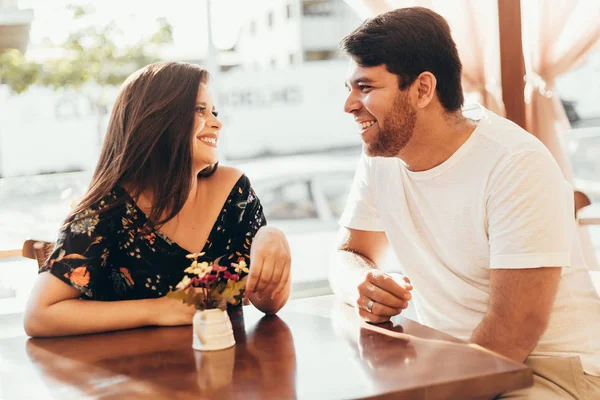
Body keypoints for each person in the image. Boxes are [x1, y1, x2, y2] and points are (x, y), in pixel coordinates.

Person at [329, 7, 600, 399]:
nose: (349, 105)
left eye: (366, 87)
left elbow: (511, 335)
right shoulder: (382, 158)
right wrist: (361, 283)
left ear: (422, 89)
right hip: (457, 357)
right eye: (350, 88)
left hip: (552, 371)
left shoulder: (514, 164)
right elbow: (347, 252)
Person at [24, 61, 291, 338]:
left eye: (214, 111)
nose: (216, 122)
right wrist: (158, 309)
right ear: (157, 119)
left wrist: (271, 238)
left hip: (223, 369)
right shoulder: (107, 207)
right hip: (131, 373)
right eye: (200, 110)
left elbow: (268, 304)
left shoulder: (235, 192)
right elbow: (38, 315)